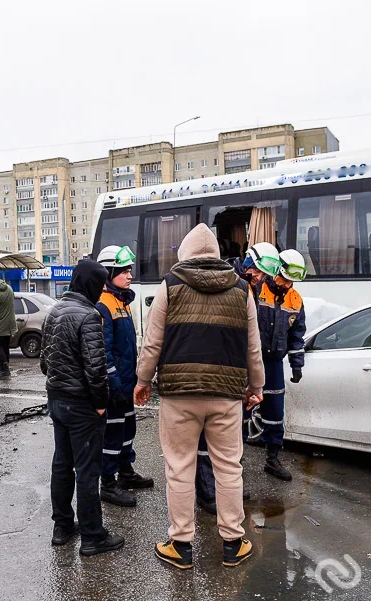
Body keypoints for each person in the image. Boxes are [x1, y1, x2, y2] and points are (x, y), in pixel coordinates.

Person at [135, 224, 264, 569]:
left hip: (180, 395)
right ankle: (233, 543)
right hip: (226, 395)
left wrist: (143, 379)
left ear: (185, 254)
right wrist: (257, 387)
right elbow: (253, 346)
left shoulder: (170, 286)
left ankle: (181, 546)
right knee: (228, 467)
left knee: (179, 468)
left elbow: (152, 341)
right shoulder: (242, 290)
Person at [41, 259, 125, 557]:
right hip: (81, 406)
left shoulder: (55, 310)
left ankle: (62, 527)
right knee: (87, 471)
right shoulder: (89, 315)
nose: (103, 287)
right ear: (90, 283)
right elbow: (96, 368)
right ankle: (93, 536)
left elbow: (43, 362)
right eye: (101, 282)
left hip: (56, 400)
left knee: (62, 465)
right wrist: (101, 405)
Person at [242, 245, 307, 480]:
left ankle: (272, 459)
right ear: (275, 271)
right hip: (251, 361)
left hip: (274, 363)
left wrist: (296, 364)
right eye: (284, 278)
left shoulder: (295, 300)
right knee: (243, 411)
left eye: (292, 281)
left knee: (275, 413)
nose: (287, 284)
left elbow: (296, 334)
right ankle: (236, 463)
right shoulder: (256, 289)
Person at [96, 245, 154, 508]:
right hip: (115, 385)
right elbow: (104, 352)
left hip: (127, 382)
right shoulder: (103, 305)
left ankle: (125, 472)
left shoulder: (121, 301)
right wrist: (115, 385)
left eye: (129, 270)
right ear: (109, 273)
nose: (129, 275)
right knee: (113, 433)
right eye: (123, 271)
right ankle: (107, 483)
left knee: (128, 428)